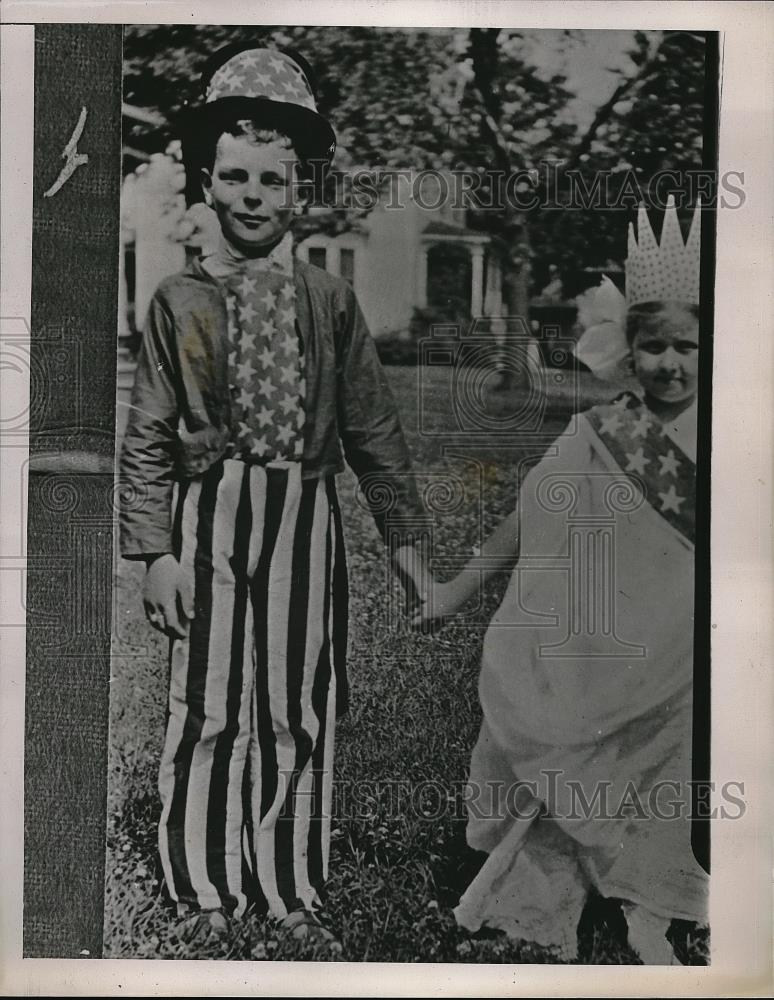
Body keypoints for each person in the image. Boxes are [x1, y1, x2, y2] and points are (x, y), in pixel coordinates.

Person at [119, 44, 427, 946]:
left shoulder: (330, 300)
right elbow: (146, 434)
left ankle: (288, 877)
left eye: (273, 181)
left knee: (296, 699)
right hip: (210, 516)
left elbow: (374, 431)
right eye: (237, 177)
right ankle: (204, 876)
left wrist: (406, 550)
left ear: (300, 192)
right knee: (209, 697)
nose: (255, 196)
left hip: (302, 516)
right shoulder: (178, 299)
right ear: (206, 185)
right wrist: (156, 553)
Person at [412, 197, 708, 963]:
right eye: (653, 347)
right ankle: (556, 888)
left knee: (670, 771)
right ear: (625, 350)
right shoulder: (599, 432)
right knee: (581, 753)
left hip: (688, 653)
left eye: (688, 346)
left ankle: (654, 900)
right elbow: (526, 521)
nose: (669, 364)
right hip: (610, 640)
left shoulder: (735, 433)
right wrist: (452, 590)